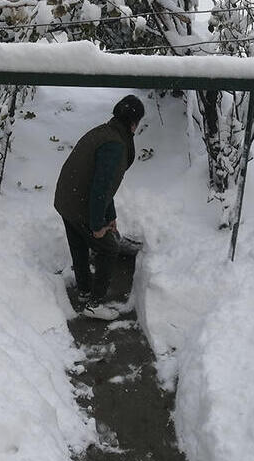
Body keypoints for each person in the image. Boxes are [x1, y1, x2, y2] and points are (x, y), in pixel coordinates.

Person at [54, 94, 145, 321]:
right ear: (133, 123)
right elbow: (101, 187)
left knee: (79, 245)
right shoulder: (115, 145)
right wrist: (97, 225)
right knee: (109, 248)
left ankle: (84, 291)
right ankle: (94, 304)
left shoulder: (104, 132)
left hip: (66, 198)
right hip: (78, 202)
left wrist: (110, 216)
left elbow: (102, 184)